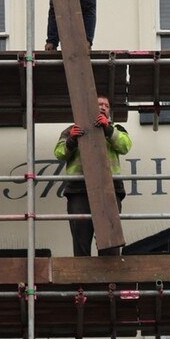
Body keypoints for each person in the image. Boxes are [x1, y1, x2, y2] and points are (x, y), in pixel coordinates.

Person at [54, 95, 132, 256]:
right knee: (80, 235)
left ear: (109, 111)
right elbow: (59, 153)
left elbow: (125, 146)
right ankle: (83, 277)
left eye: (106, 105)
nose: (103, 107)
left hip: (109, 187)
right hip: (79, 189)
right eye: (99, 104)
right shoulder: (71, 130)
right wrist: (72, 140)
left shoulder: (116, 128)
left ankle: (110, 276)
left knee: (110, 237)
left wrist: (108, 130)